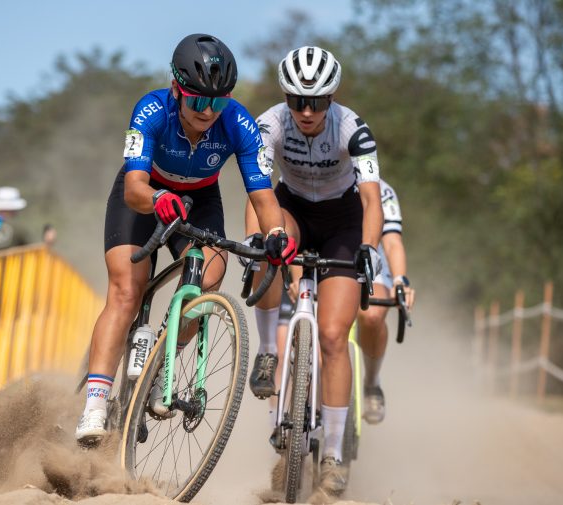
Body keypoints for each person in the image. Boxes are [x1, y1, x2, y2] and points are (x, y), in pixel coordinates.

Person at [74, 33, 297, 445]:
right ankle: (96, 405)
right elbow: (134, 186)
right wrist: (158, 197)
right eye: (198, 101)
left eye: (218, 101)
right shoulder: (151, 109)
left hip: (200, 198)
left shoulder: (238, 122)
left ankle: (160, 367)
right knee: (126, 293)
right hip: (144, 194)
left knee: (209, 279)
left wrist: (278, 233)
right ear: (177, 89)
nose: (208, 112)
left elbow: (263, 196)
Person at [244, 46, 383, 494]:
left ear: (332, 97)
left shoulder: (352, 128)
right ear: (285, 97)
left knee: (332, 337)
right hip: (292, 210)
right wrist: (255, 242)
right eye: (296, 101)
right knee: (267, 249)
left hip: (343, 219)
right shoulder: (268, 125)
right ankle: (268, 350)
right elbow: (257, 190)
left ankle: (335, 453)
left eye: (317, 102)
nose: (306, 111)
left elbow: (371, 199)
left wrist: (367, 248)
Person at [357, 179, 415, 424]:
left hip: (368, 255)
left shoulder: (383, 190)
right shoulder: (308, 167)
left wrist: (401, 280)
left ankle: (371, 382)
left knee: (372, 315)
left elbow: (391, 242)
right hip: (324, 247)